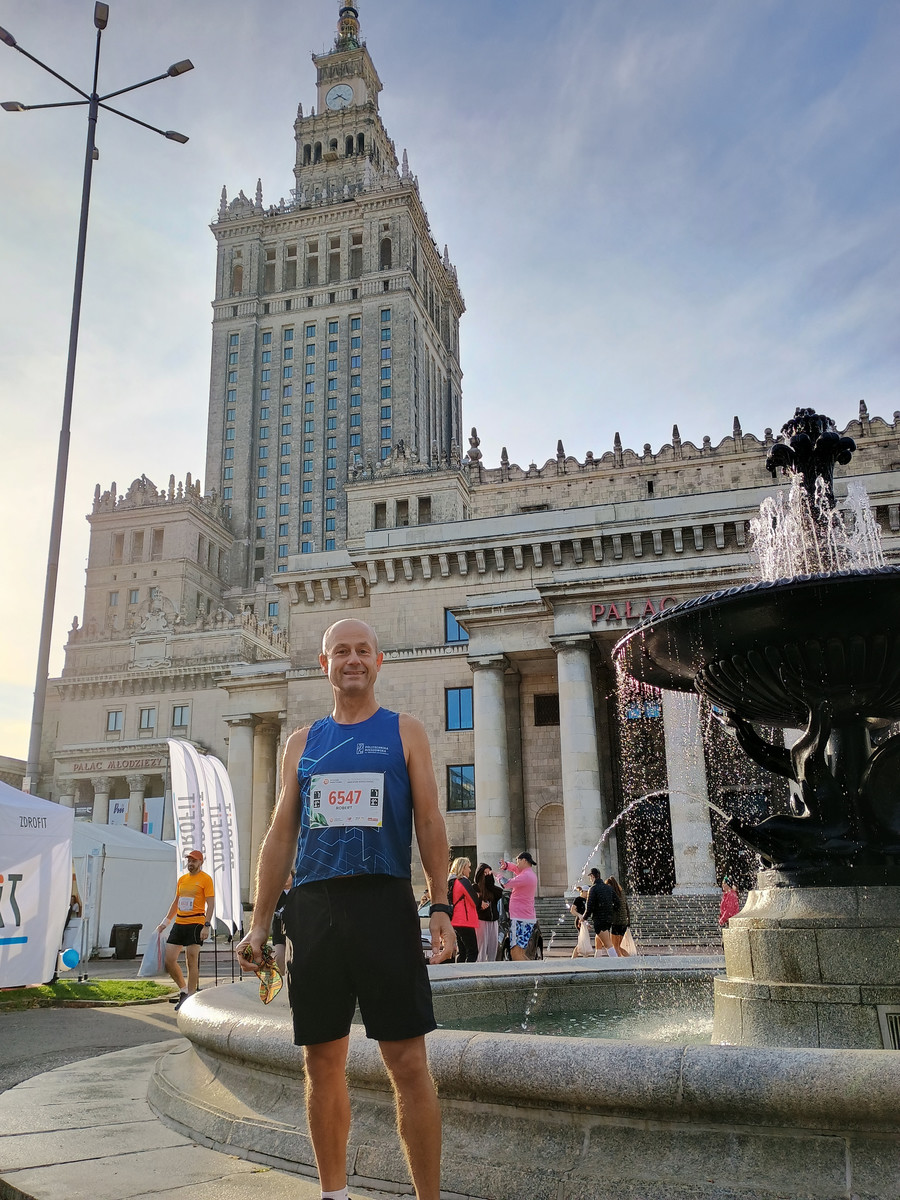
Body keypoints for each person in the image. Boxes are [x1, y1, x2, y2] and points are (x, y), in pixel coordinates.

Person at [236, 618, 455, 1200]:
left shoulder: (405, 731)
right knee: (322, 1060)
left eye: (362, 650)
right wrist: (259, 922)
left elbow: (430, 820)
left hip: (385, 903)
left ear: (379, 661)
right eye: (340, 651)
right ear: (324, 664)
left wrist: (439, 902)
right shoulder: (301, 743)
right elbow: (281, 835)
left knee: (408, 1063)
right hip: (315, 909)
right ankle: (334, 1194)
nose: (352, 659)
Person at [157, 849, 214, 1010]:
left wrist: (206, 926)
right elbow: (176, 902)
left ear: (201, 862)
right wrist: (165, 922)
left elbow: (211, 904)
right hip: (180, 922)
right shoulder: (182, 879)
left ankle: (191, 996)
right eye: (189, 861)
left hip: (196, 923)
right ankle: (183, 990)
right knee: (169, 959)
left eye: (194, 861)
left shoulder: (205, 879)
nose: (190, 863)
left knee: (191, 960)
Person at [498, 852, 538, 962]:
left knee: (515, 952)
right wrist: (507, 865)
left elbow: (506, 883)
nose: (517, 864)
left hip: (519, 918)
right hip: (526, 917)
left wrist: (497, 875)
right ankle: (532, 970)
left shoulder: (525, 876)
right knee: (520, 952)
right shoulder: (529, 874)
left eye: (518, 861)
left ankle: (527, 971)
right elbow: (516, 869)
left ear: (524, 860)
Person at [448, 856, 479, 963]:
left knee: (462, 952)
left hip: (456, 919)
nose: (470, 870)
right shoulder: (463, 881)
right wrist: (478, 897)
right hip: (465, 920)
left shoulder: (451, 881)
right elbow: (474, 901)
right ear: (462, 868)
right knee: (473, 951)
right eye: (468, 867)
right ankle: (468, 972)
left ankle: (459, 971)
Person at [473, 862, 504, 962]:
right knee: (481, 946)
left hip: (493, 920)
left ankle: (491, 965)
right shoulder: (475, 888)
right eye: (485, 873)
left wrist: (490, 884)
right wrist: (480, 903)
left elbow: (500, 893)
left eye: (489, 873)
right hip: (481, 920)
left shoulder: (492, 890)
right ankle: (480, 964)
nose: (487, 875)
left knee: (493, 946)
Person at [584, 867, 618, 957]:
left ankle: (617, 962)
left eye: (590, 877)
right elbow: (617, 903)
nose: (590, 879)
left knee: (608, 945)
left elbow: (589, 907)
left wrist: (583, 918)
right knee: (600, 941)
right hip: (608, 919)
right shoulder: (609, 888)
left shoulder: (593, 889)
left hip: (599, 920)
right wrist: (610, 910)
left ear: (592, 876)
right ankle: (598, 958)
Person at [271, 871, 293, 977]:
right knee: (279, 957)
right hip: (280, 933)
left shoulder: (298, 891)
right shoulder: (276, 893)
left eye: (287, 875)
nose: (285, 878)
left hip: (296, 932)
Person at [606, 875, 633, 957]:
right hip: (624, 922)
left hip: (616, 922)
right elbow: (626, 908)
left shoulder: (612, 895)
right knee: (618, 946)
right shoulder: (622, 893)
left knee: (615, 947)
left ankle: (619, 962)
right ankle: (629, 959)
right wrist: (628, 921)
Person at [570, 885, 593, 958]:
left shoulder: (587, 900)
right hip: (579, 921)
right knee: (583, 939)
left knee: (583, 940)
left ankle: (580, 956)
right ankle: (581, 956)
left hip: (584, 921)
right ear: (583, 892)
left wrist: (587, 923)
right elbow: (572, 910)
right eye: (587, 892)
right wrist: (579, 915)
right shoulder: (578, 899)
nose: (588, 894)